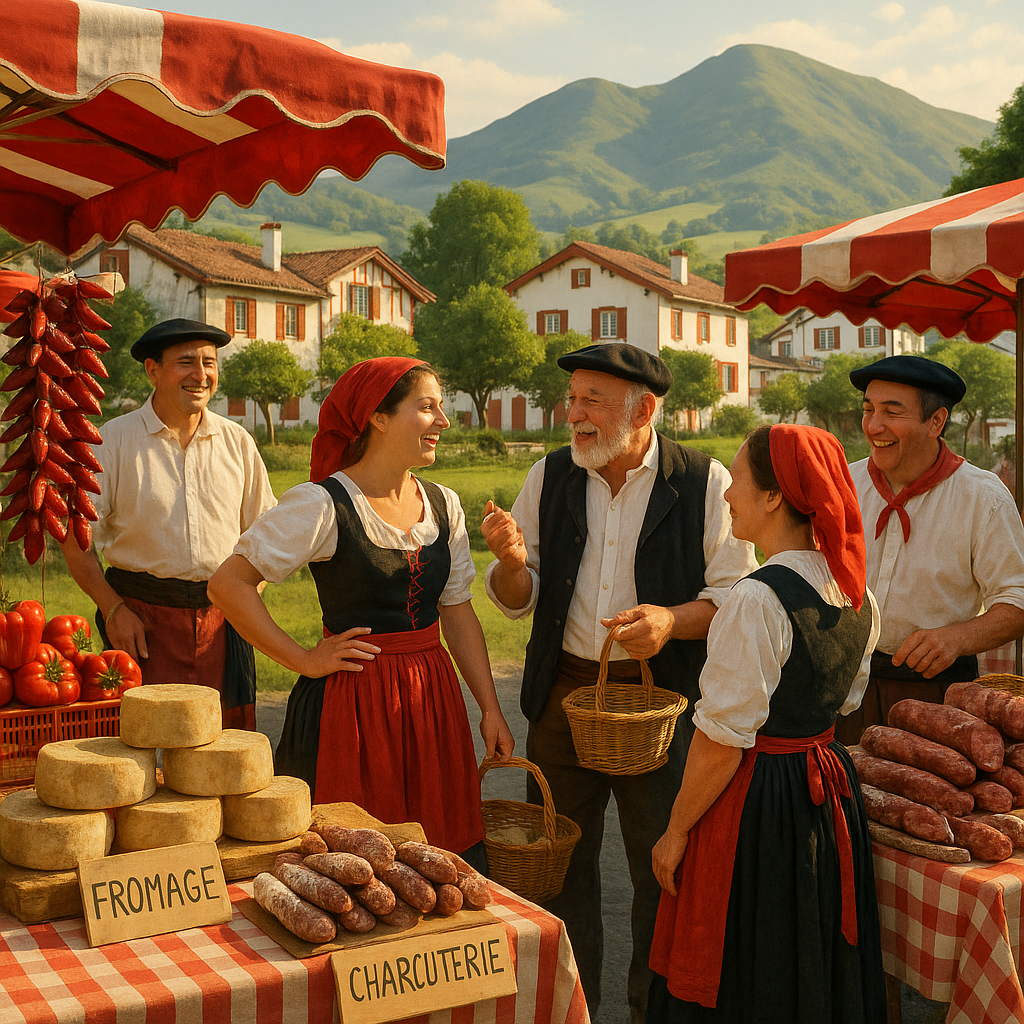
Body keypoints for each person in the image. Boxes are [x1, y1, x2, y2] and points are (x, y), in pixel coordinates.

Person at [482, 343, 758, 1023]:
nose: (572, 414)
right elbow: (518, 597)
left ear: (645, 409)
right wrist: (511, 563)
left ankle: (652, 1013)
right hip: (565, 699)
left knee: (663, 869)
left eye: (591, 402)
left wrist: (670, 618)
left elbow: (734, 596)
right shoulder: (550, 477)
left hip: (661, 708)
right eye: (572, 399)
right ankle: (565, 1011)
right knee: (554, 870)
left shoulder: (703, 482)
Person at [208, 357, 514, 864]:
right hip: (351, 706)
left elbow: (456, 612)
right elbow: (228, 584)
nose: (442, 421)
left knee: (436, 861)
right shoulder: (322, 503)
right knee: (349, 866)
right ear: (378, 416)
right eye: (427, 408)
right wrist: (303, 659)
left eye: (442, 408)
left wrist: (489, 709)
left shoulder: (444, 504)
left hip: (429, 699)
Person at [647, 424, 886, 1024]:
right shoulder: (857, 595)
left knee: (748, 952)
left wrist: (675, 831)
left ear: (775, 496)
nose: (727, 496)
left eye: (740, 482)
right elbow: (846, 701)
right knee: (807, 938)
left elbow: (721, 741)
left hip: (757, 801)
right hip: (825, 791)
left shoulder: (755, 600)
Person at [60, 318, 276, 729]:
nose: (201, 375)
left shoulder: (238, 443)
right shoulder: (112, 441)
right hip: (139, 623)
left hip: (223, 625)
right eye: (185, 362)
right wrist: (113, 609)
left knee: (222, 755)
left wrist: (244, 598)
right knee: (138, 754)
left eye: (209, 363)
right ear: (153, 370)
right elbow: (76, 540)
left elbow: (265, 536)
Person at [835, 355, 1024, 745]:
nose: (874, 426)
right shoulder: (843, 484)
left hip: (940, 696)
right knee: (845, 800)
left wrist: (954, 639)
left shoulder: (983, 497)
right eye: (869, 410)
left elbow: (1017, 601)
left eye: (892, 411)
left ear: (936, 422)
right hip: (841, 689)